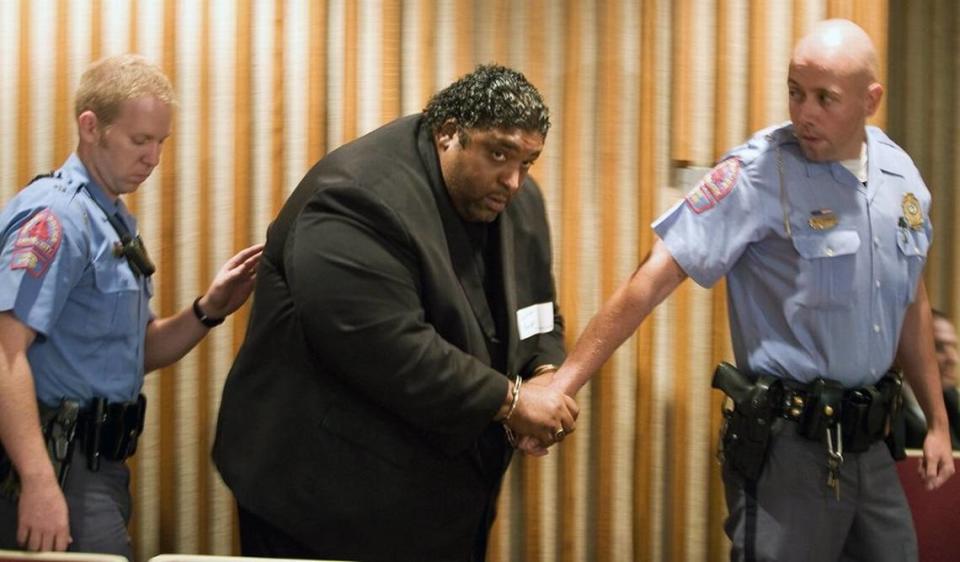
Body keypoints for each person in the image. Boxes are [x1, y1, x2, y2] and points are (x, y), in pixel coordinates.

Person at [526, 19, 955, 562]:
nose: (804, 113)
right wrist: (562, 383)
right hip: (790, 452)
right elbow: (651, 279)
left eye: (826, 98)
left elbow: (909, 297)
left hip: (871, 447)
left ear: (871, 100)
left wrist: (938, 422)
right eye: (795, 92)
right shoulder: (758, 173)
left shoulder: (900, 174)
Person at [212, 64, 578, 562]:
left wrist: (544, 374)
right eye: (499, 153)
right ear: (449, 133)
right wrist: (514, 402)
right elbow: (389, 348)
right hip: (323, 496)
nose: (514, 180)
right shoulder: (355, 197)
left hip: (443, 496)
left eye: (528, 162)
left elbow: (536, 309)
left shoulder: (515, 197)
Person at [0, 54, 263, 559]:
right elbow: (6, 349)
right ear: (91, 127)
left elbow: (134, 352)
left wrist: (209, 309)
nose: (153, 158)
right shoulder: (57, 217)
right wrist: (37, 481)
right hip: (55, 462)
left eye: (161, 143)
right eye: (140, 141)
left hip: (99, 465)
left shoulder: (112, 221)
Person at [903, 310, 960, 449]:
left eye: (954, 347)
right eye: (939, 347)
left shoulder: (951, 399)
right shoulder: (889, 407)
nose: (953, 359)